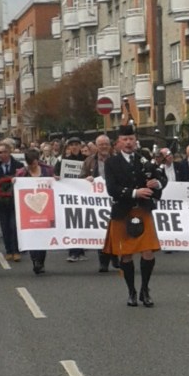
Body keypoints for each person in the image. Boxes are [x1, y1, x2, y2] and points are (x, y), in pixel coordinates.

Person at [103, 125, 167, 307]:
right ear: (118, 143)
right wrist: (134, 193)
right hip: (123, 212)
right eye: (125, 139)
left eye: (131, 139)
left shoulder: (144, 160)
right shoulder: (111, 163)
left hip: (143, 211)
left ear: (135, 141)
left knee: (148, 252)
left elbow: (162, 178)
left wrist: (157, 184)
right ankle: (131, 291)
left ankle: (145, 289)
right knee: (127, 256)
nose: (129, 142)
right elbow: (112, 189)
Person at [80, 134, 119, 272]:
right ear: (96, 146)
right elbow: (81, 178)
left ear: (110, 146)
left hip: (114, 199)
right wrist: (87, 179)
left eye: (106, 144)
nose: (103, 147)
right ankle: (103, 261)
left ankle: (115, 256)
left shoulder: (117, 160)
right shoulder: (89, 161)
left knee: (114, 229)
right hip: (97, 201)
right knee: (100, 230)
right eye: (101, 144)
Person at [15, 148, 55, 274]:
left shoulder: (47, 170)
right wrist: (14, 182)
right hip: (28, 209)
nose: (33, 165)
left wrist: (56, 180)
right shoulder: (21, 173)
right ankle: (35, 261)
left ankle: (41, 261)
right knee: (32, 234)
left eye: (35, 162)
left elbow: (54, 183)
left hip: (46, 207)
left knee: (43, 235)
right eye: (30, 163)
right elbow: (17, 188)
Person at [0, 140, 24, 261]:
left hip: (15, 201)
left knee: (14, 226)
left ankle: (16, 250)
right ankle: (8, 250)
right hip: (1, 201)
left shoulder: (18, 166)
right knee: (5, 226)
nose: (0, 154)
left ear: (9, 152)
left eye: (3, 152)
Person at [55, 136, 87, 262]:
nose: (74, 147)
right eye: (72, 145)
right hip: (69, 196)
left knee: (82, 223)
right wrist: (57, 177)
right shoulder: (63, 161)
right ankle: (73, 251)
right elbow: (56, 173)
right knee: (72, 223)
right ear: (69, 147)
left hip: (84, 196)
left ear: (80, 146)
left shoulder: (87, 159)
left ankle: (81, 249)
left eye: (76, 144)